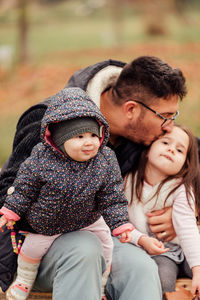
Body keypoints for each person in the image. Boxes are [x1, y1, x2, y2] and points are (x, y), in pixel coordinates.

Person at [0, 56, 188, 300]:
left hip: (104, 233)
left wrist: (188, 213)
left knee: (140, 268)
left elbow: (192, 156)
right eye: (166, 117)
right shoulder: (50, 121)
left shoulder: (145, 129)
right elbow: (9, 191)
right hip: (37, 240)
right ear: (131, 109)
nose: (170, 127)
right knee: (84, 248)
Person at [0, 87, 133, 300]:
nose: (89, 142)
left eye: (92, 135)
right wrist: (11, 211)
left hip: (87, 218)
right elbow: (24, 188)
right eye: (79, 136)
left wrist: (120, 223)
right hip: (47, 222)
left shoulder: (105, 160)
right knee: (31, 250)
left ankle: (100, 285)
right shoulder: (42, 159)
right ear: (60, 141)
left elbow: (112, 196)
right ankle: (24, 280)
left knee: (106, 245)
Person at [124, 124, 200, 299]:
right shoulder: (128, 181)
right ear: (147, 149)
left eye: (180, 150)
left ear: (185, 165)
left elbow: (187, 227)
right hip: (158, 252)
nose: (171, 150)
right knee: (160, 278)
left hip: (189, 246)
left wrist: (197, 269)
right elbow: (120, 220)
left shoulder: (181, 187)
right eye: (165, 142)